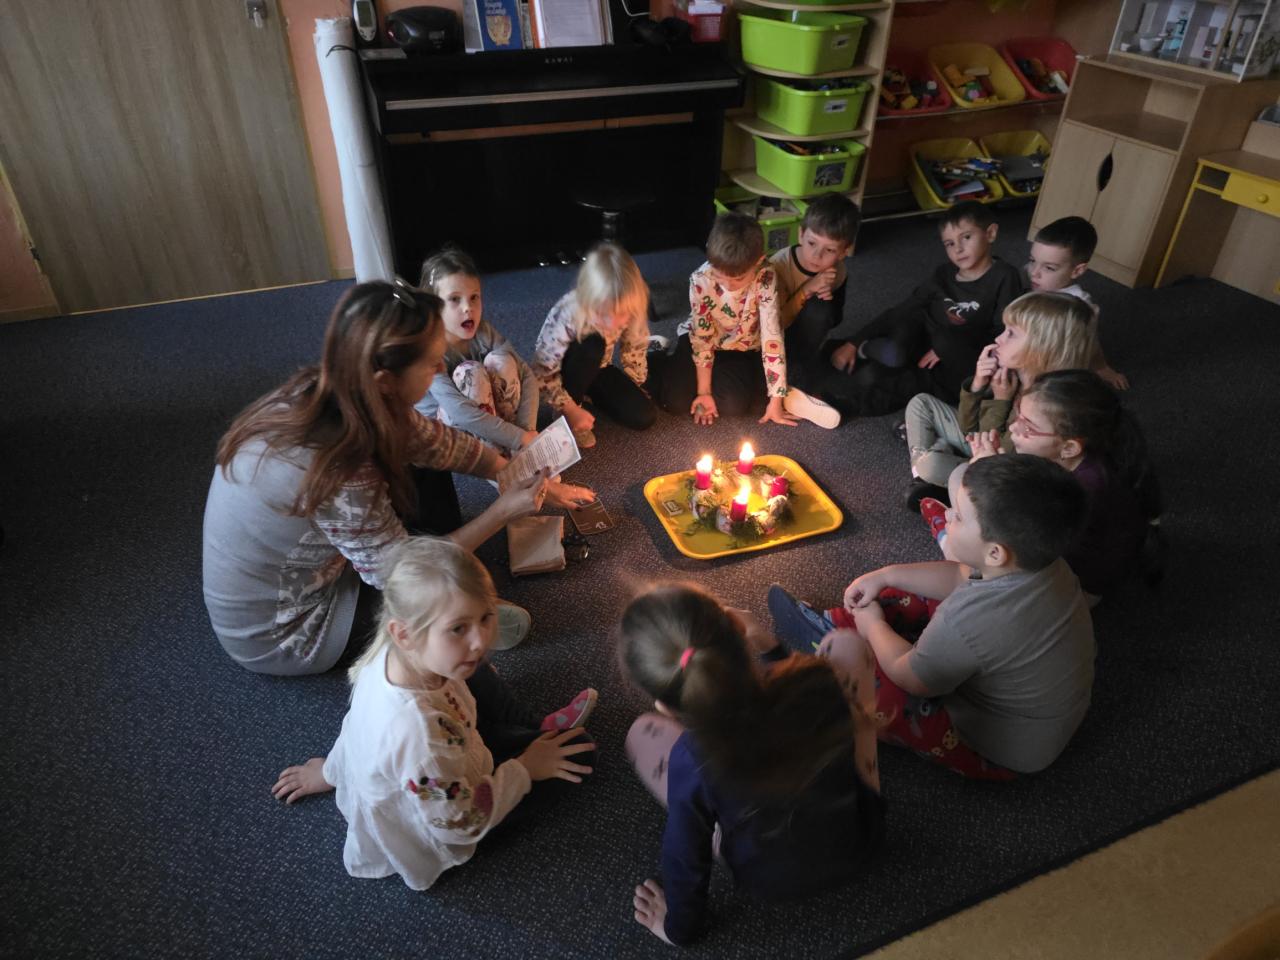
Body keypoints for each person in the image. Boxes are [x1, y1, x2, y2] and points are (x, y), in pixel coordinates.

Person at [202, 280, 594, 676]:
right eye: (431, 363)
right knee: (420, 593)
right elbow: (403, 573)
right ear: (385, 381)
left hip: (317, 566)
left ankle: (453, 590)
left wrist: (518, 474)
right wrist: (501, 513)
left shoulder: (346, 388)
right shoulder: (343, 467)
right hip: (286, 631)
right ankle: (459, 611)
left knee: (422, 461)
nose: (441, 369)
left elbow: (440, 444)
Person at [271, 538, 597, 890]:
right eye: (458, 628)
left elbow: (354, 733)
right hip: (448, 818)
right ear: (404, 634)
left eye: (486, 616)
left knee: (477, 671)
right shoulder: (419, 741)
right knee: (580, 748)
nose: (480, 640)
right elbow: (461, 824)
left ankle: (532, 734)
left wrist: (330, 772)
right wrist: (526, 770)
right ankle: (532, 740)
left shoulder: (388, 658)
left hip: (454, 745)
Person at [770, 454, 1094, 780]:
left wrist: (873, 626)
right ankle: (841, 624)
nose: (948, 514)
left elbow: (909, 676)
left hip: (998, 749)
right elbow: (959, 575)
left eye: (959, 517)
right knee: (917, 590)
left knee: (886, 697)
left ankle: (832, 654)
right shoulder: (1044, 564)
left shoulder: (970, 620)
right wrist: (886, 575)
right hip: (1035, 705)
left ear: (995, 552)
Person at [621, 583, 885, 947]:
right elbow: (782, 688)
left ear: (665, 705)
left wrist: (677, 929)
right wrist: (772, 650)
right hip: (862, 837)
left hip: (771, 880)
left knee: (641, 735)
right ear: (737, 625)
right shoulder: (814, 679)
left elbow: (685, 854)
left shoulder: (691, 759)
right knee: (846, 645)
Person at [933, 370, 1161, 603]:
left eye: (1027, 427)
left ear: (1069, 448)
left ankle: (948, 542)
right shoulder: (1069, 461)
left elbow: (1014, 536)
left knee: (966, 542)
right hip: (1054, 546)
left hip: (1071, 586)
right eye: (1017, 415)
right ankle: (950, 533)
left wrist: (987, 471)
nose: (1013, 428)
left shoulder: (1082, 489)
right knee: (959, 477)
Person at [818, 200, 1023, 418]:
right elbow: (904, 308)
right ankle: (853, 349)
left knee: (901, 380)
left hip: (957, 352)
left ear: (990, 233)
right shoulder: (943, 274)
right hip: (921, 337)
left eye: (966, 237)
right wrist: (854, 341)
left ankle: (847, 406)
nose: (958, 249)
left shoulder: (1005, 276)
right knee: (890, 354)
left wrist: (946, 347)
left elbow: (1003, 333)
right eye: (949, 243)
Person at [902, 290, 1097, 507]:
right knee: (920, 403)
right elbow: (968, 427)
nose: (998, 339)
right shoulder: (1013, 373)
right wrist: (977, 384)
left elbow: (997, 454)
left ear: (1041, 348)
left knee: (931, 465)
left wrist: (1000, 400)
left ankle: (931, 467)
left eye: (1011, 334)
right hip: (980, 442)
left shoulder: (1047, 406)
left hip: (998, 465)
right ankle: (925, 470)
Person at [647, 212, 839, 429]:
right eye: (719, 276)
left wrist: (776, 402)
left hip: (740, 346)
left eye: (737, 279)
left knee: (734, 405)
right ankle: (656, 354)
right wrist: (704, 391)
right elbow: (703, 340)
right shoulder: (700, 279)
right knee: (674, 402)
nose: (727, 285)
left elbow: (772, 338)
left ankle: (771, 391)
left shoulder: (766, 277)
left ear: (758, 261)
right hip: (700, 341)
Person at [415, 246, 540, 457]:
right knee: (470, 373)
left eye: (474, 297)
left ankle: (514, 452)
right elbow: (459, 412)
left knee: (503, 361)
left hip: (481, 416)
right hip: (441, 435)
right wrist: (520, 438)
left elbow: (526, 374)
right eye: (455, 299)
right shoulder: (429, 348)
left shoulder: (484, 331)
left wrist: (526, 431)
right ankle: (498, 465)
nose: (468, 308)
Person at [530, 242, 657, 449]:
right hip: (563, 373)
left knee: (644, 416)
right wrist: (570, 409)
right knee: (593, 344)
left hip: (599, 367)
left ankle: (588, 394)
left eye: (621, 314)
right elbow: (541, 371)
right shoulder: (567, 312)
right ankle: (567, 411)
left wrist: (635, 383)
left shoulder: (629, 304)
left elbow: (635, 346)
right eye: (603, 313)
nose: (613, 323)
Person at [769, 194, 860, 395]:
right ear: (801, 234)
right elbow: (773, 323)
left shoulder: (839, 270)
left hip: (803, 339)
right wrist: (807, 290)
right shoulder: (777, 268)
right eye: (812, 243)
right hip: (769, 336)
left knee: (821, 309)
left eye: (830, 250)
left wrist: (827, 297)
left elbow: (835, 319)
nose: (817, 255)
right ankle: (787, 371)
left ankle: (799, 366)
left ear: (844, 252)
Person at [1026, 216, 1128, 390]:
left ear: (1077, 270)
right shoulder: (1037, 283)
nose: (1034, 273)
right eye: (1032, 260)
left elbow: (1090, 341)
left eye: (1049, 268)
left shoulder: (1080, 306)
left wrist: (1101, 367)